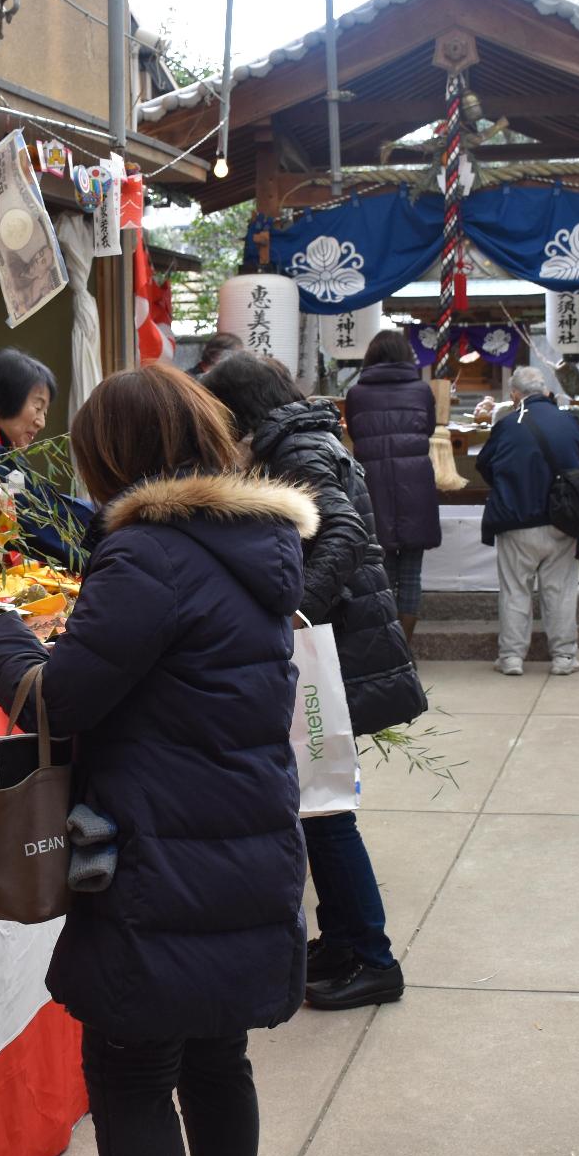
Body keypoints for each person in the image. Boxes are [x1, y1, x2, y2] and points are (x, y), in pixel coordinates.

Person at [0, 363, 313, 1156]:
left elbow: (67, 698)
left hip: (161, 855)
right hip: (243, 837)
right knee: (215, 1057)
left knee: (132, 1070)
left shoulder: (147, 553)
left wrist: (2, 640)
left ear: (117, 456)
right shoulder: (251, 543)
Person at [200, 351, 426, 1013]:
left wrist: (292, 613)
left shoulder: (296, 446)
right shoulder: (301, 436)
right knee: (318, 809)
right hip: (335, 645)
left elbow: (345, 530)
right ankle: (346, 940)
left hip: (330, 650)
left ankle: (373, 958)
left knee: (326, 812)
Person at [474, 364, 579, 678]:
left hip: (515, 518)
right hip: (562, 520)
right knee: (560, 590)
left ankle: (511, 658)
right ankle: (564, 657)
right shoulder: (569, 422)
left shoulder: (508, 425)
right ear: (546, 391)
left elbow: (484, 465)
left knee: (515, 589)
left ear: (515, 394)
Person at [0, 347, 94, 568]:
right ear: (1, 400)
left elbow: (46, 506)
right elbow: (31, 523)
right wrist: (91, 563)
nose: (41, 422)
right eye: (37, 407)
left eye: (45, 412)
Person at [344, 329, 442, 636]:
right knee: (412, 572)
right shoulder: (422, 390)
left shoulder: (357, 393)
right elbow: (427, 430)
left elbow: (357, 436)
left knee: (381, 570)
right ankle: (407, 647)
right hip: (416, 484)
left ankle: (388, 646)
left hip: (373, 487)